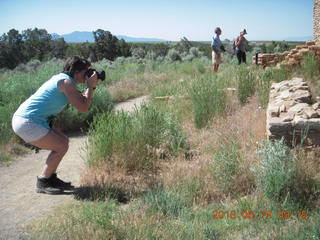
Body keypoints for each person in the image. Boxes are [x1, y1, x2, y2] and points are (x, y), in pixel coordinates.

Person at [11, 56, 99, 194]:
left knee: (63, 142)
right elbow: (83, 108)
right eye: (85, 71)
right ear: (76, 72)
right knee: (61, 146)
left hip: (29, 120)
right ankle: (43, 181)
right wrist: (90, 86)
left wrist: (91, 86)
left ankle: (50, 178)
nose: (87, 74)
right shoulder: (66, 83)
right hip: (27, 122)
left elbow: (81, 100)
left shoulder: (64, 80)